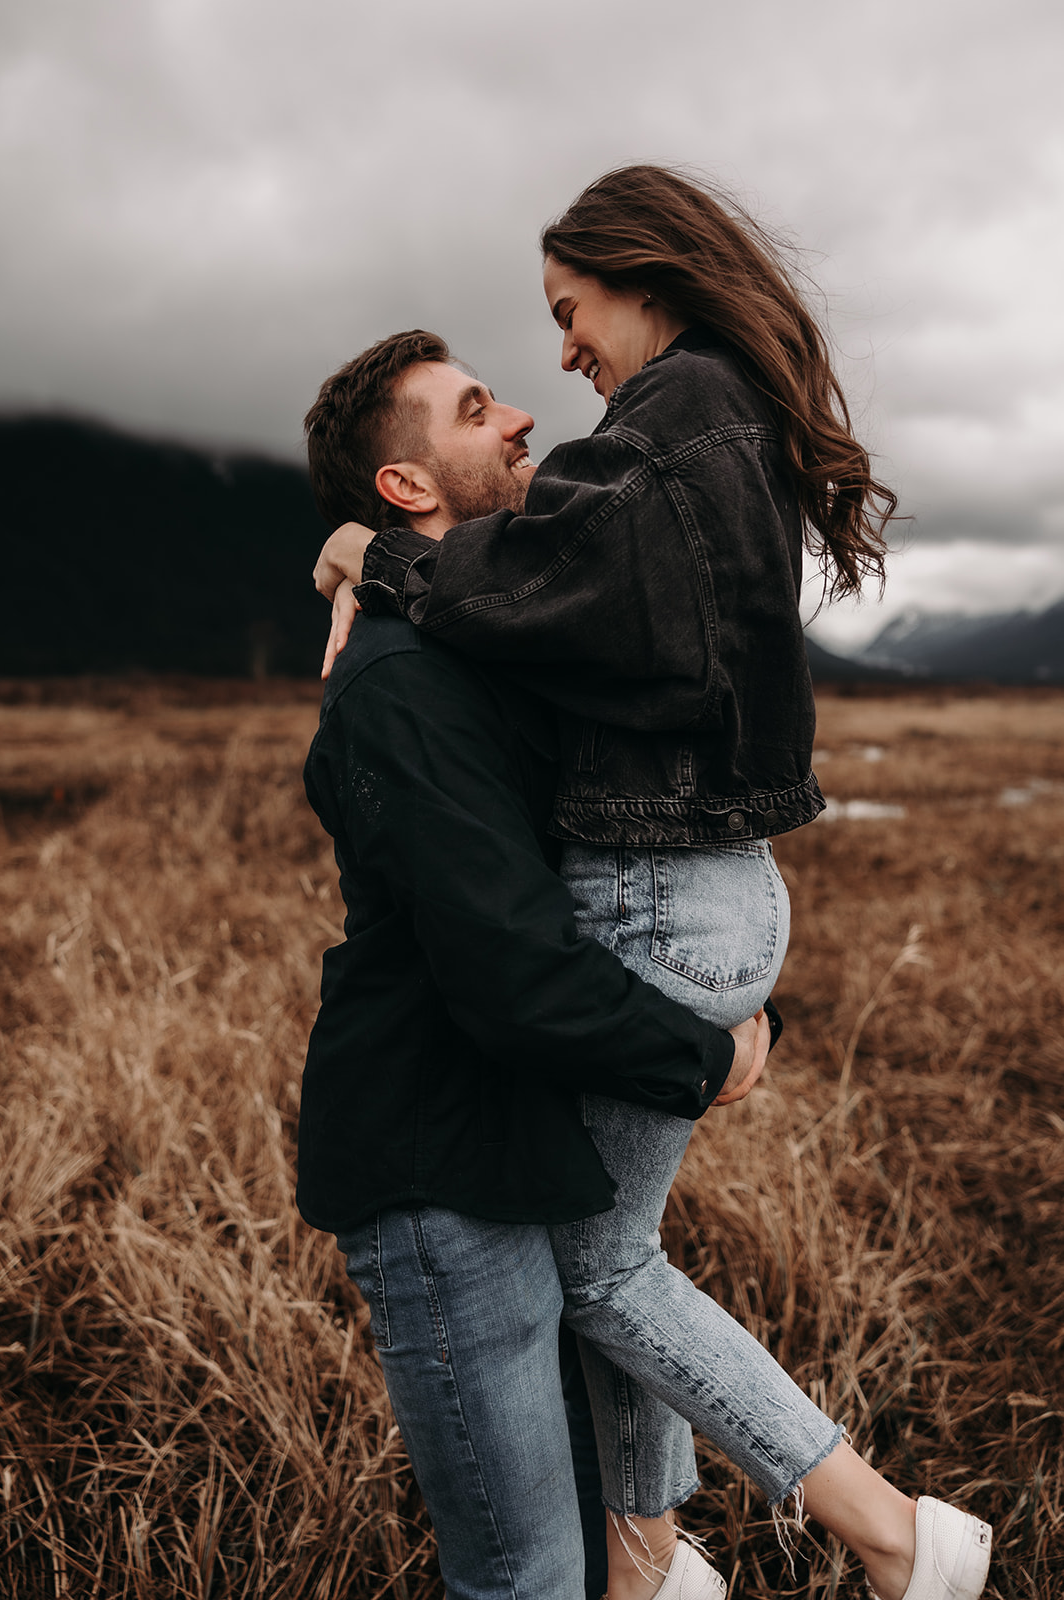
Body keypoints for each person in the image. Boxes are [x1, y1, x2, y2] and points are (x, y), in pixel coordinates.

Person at [311, 167, 994, 1600]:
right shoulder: (706, 418)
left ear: (638, 274)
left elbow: (544, 577)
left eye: (565, 316)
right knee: (606, 1253)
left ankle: (886, 1535)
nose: (557, 364)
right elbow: (554, 595)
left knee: (598, 1272)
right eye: (506, 372)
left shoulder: (672, 419)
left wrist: (383, 560)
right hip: (702, 893)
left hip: (665, 903)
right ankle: (643, 1561)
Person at [299, 328, 774, 1600]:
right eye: (472, 408)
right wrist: (704, 1054)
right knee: (521, 1577)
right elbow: (511, 964)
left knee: (561, 1547)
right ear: (407, 482)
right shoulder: (399, 687)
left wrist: (358, 560)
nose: (519, 415)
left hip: (507, 1144)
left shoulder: (471, 628)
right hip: (432, 1169)